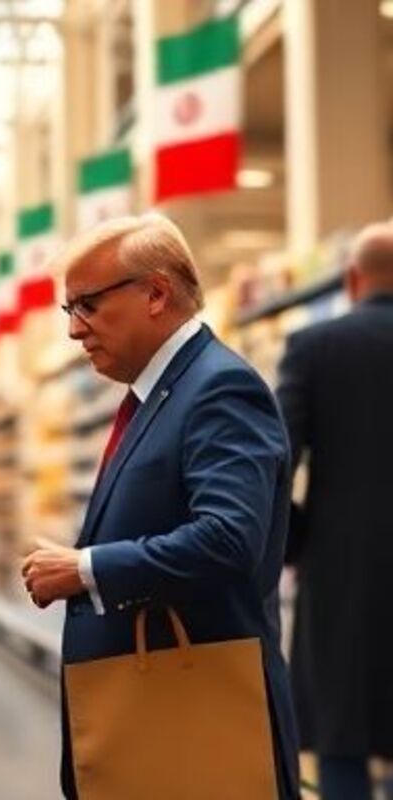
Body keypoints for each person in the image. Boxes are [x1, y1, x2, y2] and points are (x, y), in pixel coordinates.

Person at [21, 214, 299, 798]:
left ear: (155, 292)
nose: (75, 329)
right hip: (159, 716)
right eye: (69, 310)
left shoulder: (219, 387)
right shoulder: (160, 394)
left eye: (87, 305)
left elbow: (228, 538)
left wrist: (87, 568)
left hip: (200, 721)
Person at [276, 223, 393, 800]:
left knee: (340, 735)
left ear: (352, 279)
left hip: (341, 572)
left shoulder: (316, 348)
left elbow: (274, 465)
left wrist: (300, 543)